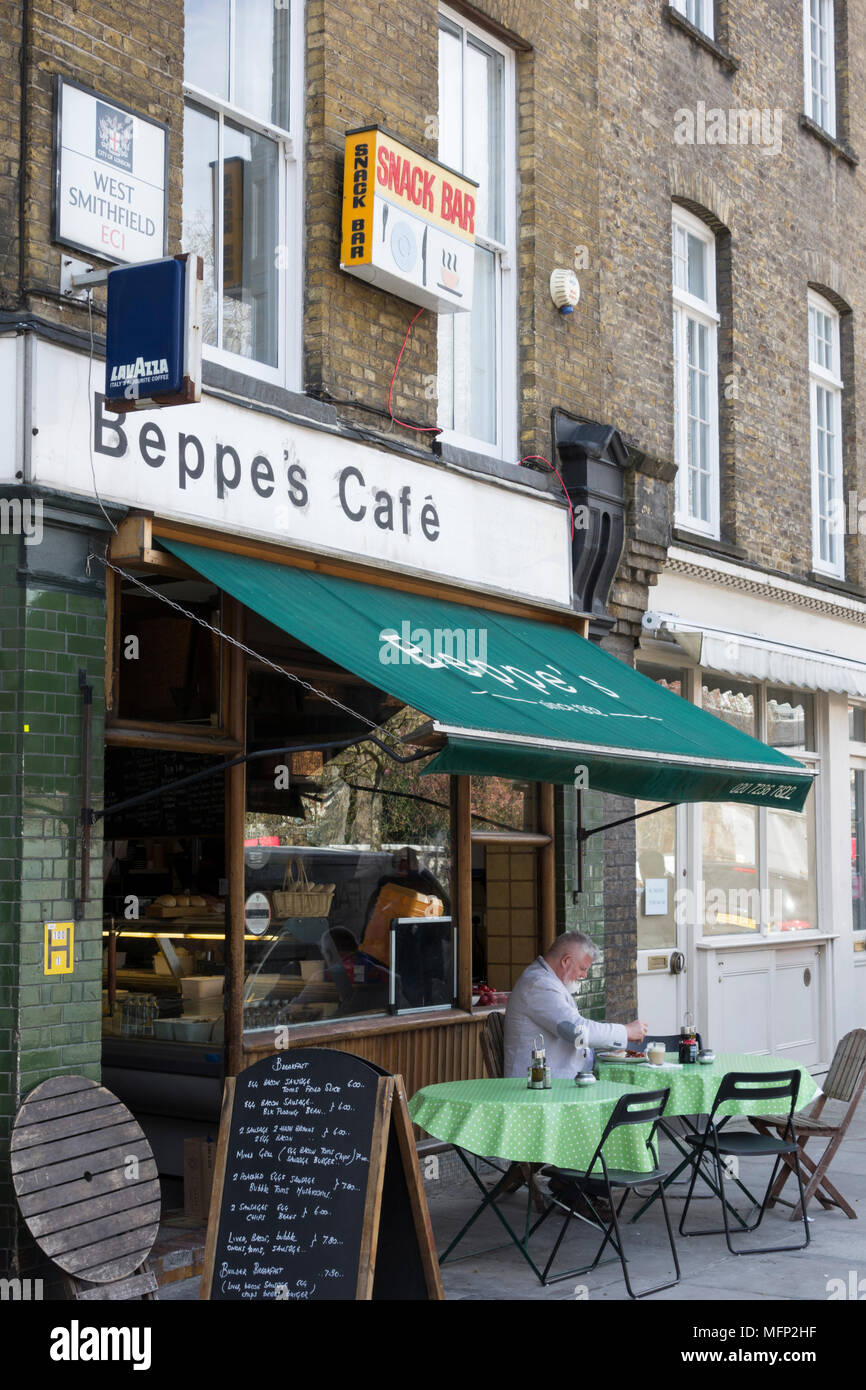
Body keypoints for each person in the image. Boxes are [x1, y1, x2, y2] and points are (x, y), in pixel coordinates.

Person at [503, 931, 648, 1079]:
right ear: (566, 961)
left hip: (553, 1082)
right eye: (583, 968)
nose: (584, 976)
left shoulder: (547, 980)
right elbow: (576, 1031)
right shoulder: (539, 985)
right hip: (540, 1088)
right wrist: (625, 1032)